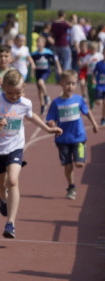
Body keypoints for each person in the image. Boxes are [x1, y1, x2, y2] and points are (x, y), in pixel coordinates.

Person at [0, 69, 62, 239]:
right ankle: (2, 198)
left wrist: (48, 129)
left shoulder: (25, 104)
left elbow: (31, 116)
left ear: (24, 89)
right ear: (2, 88)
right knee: (1, 185)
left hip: (15, 147)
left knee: (13, 181)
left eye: (18, 93)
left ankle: (11, 223)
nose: (14, 97)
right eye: (10, 93)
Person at [45, 70, 99, 200]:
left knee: (79, 164)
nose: (70, 86)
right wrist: (52, 124)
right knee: (68, 166)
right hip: (62, 139)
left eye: (73, 84)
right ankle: (71, 186)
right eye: (67, 83)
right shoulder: (56, 103)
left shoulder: (78, 99)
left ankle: (81, 150)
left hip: (78, 137)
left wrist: (94, 124)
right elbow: (50, 119)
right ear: (61, 84)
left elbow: (87, 112)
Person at [30, 34, 61, 115]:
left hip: (46, 71)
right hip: (38, 72)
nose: (38, 44)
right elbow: (31, 63)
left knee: (41, 82)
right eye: (37, 42)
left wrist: (59, 68)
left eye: (40, 42)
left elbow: (56, 59)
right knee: (39, 90)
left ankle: (47, 96)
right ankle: (42, 105)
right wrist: (32, 72)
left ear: (44, 44)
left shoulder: (48, 52)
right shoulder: (34, 54)